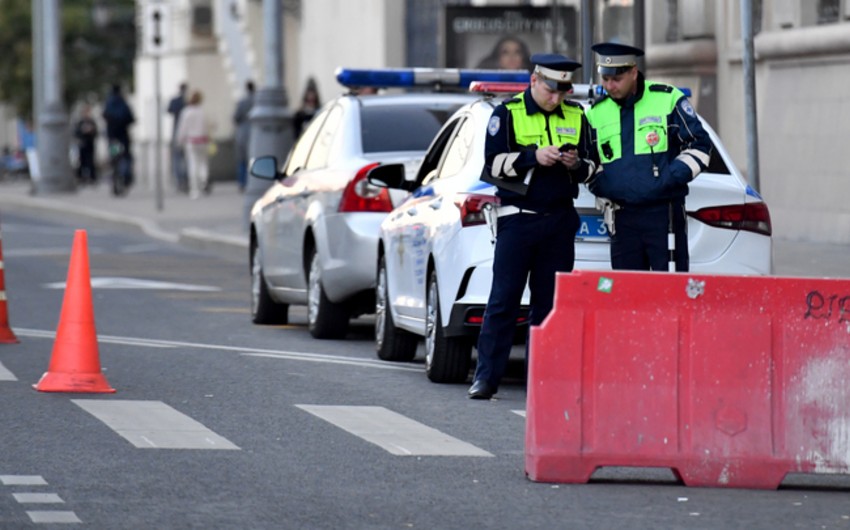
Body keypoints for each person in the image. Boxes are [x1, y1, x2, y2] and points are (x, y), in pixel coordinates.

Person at [468, 54, 598, 400]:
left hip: (558, 220)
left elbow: (593, 168)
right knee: (503, 302)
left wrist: (575, 164)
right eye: (551, 90)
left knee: (549, 306)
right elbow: (493, 165)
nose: (557, 99)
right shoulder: (507, 114)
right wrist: (532, 157)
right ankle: (486, 379)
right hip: (518, 219)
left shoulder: (578, 115)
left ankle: (542, 382)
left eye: (562, 92)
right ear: (534, 81)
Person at [585, 43, 712, 272]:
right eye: (605, 78)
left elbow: (700, 146)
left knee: (670, 291)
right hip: (622, 217)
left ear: (634, 72)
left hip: (664, 214)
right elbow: (589, 162)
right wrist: (607, 186)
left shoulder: (667, 99)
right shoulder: (596, 112)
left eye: (616, 78)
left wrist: (666, 180)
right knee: (627, 294)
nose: (609, 85)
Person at [176, 90, 212, 199]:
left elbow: (182, 128)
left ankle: (194, 189)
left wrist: (179, 140)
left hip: (191, 141)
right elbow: (208, 126)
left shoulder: (186, 112)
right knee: (203, 163)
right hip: (203, 140)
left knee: (193, 164)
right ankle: (203, 181)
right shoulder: (203, 112)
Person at [102, 84, 135, 191]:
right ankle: (125, 175)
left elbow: (104, 116)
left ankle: (114, 174)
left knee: (114, 156)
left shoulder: (109, 103)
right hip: (123, 136)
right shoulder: (123, 102)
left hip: (112, 136)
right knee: (126, 156)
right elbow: (130, 118)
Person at [233, 80, 255, 193]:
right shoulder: (258, 101)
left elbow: (236, 117)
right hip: (255, 132)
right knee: (253, 158)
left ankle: (242, 183)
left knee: (242, 160)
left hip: (242, 133)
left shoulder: (242, 102)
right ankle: (252, 181)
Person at [167, 83, 189, 193]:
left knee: (177, 158)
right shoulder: (188, 102)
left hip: (177, 131)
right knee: (187, 158)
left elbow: (169, 110)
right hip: (189, 134)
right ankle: (185, 178)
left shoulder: (175, 101)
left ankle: (180, 180)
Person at [73, 104, 98, 185]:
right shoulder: (80, 122)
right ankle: (81, 178)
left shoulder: (92, 121)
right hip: (82, 144)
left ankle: (92, 178)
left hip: (90, 144)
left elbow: (96, 132)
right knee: (82, 162)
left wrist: (91, 131)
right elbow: (76, 132)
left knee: (90, 161)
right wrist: (82, 131)